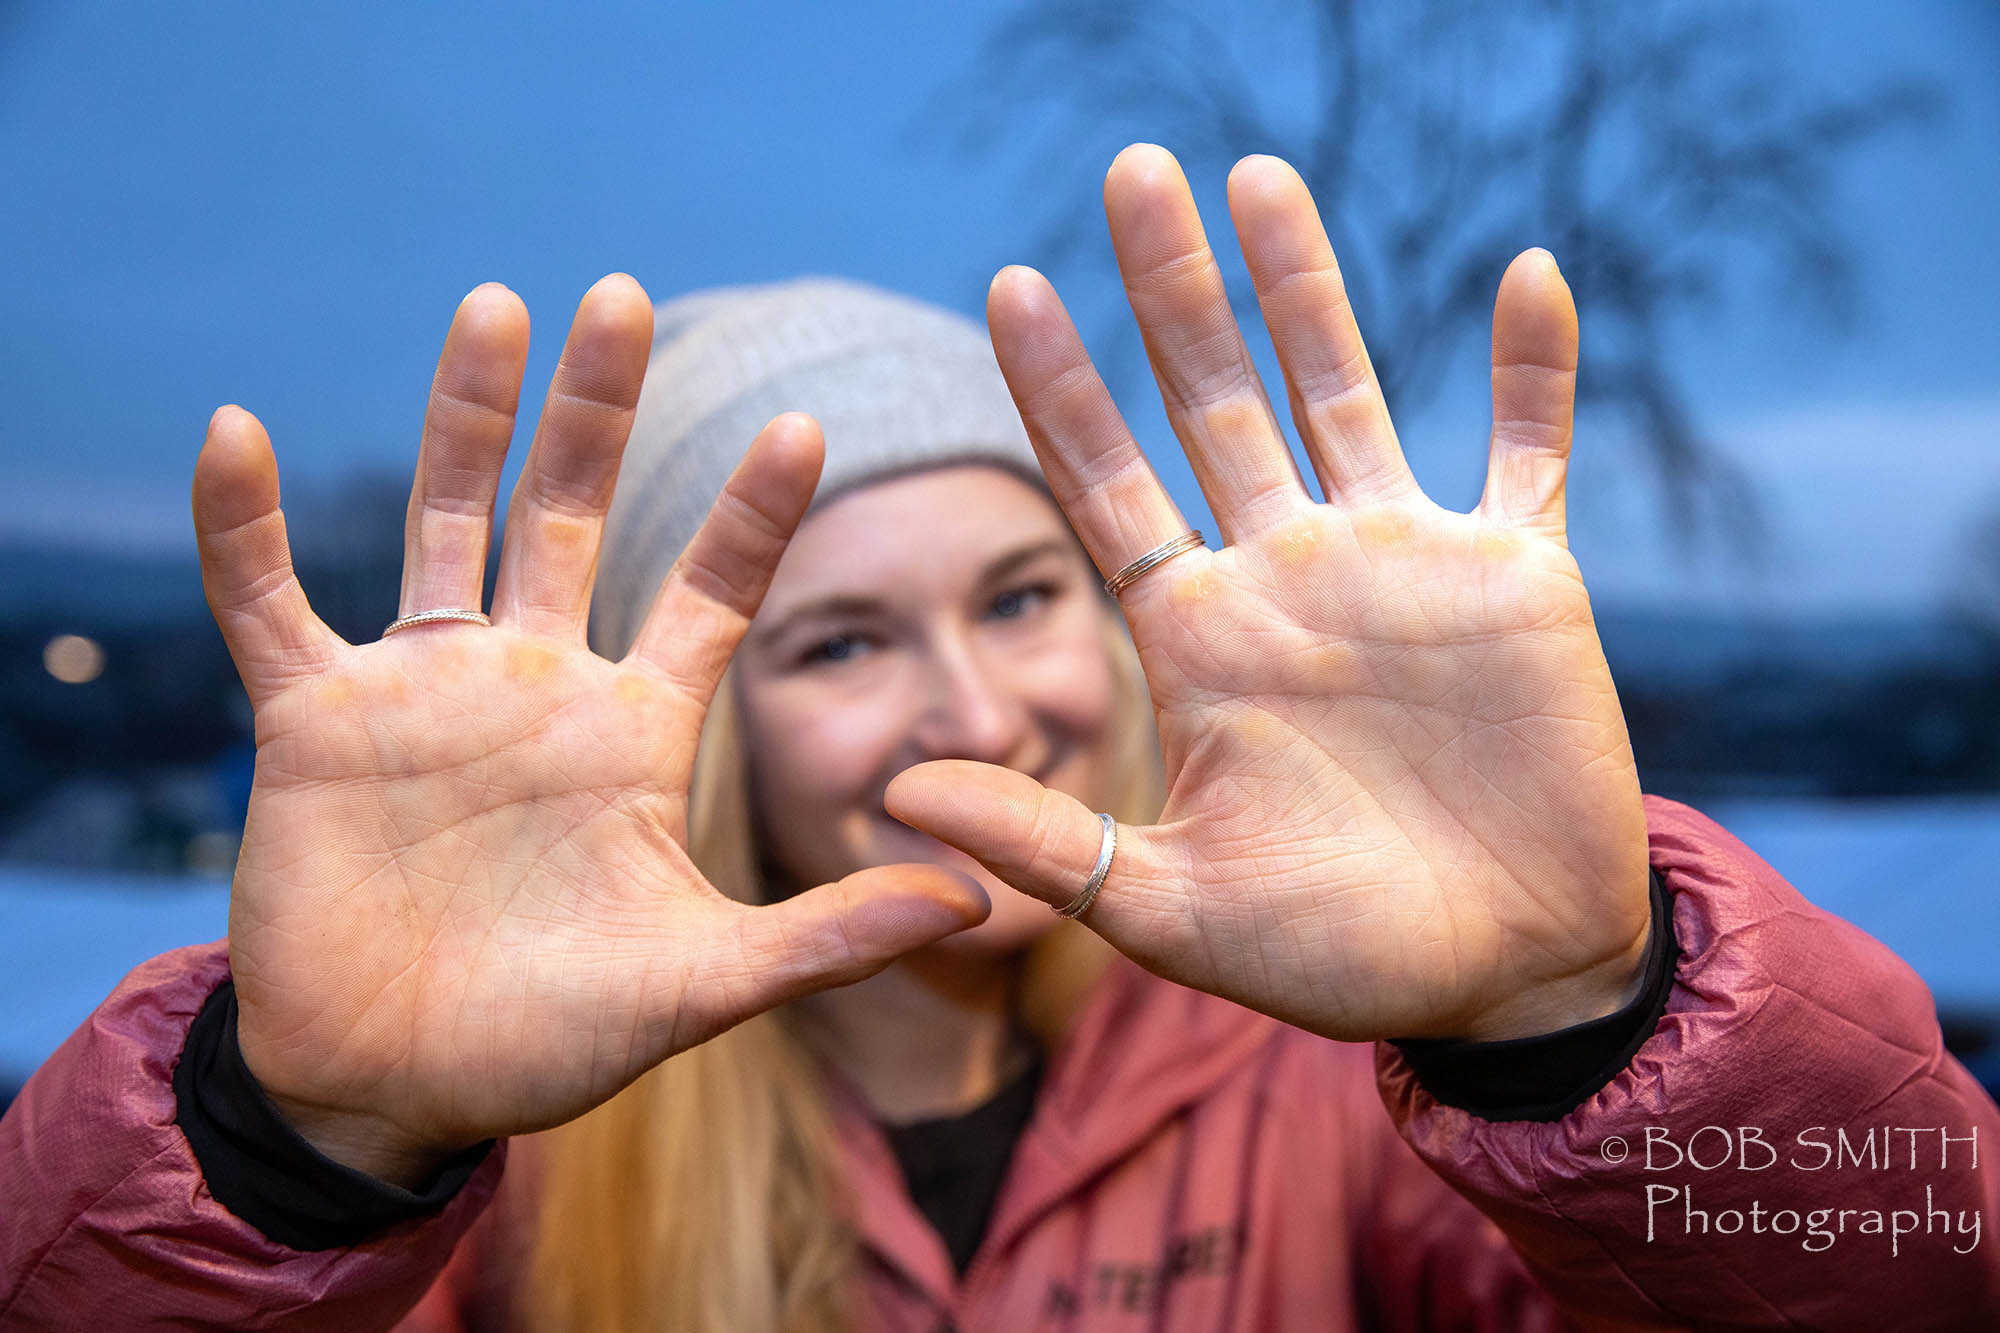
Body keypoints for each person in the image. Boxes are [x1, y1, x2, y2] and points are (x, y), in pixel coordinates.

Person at [3, 147, 1996, 1331]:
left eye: (1025, 595)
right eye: (844, 638)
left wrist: (1590, 1017)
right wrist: (292, 1157)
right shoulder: (495, 1160)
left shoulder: (1349, 1092)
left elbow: (1927, 1283)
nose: (975, 708)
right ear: (698, 731)